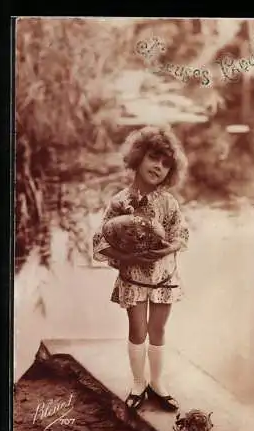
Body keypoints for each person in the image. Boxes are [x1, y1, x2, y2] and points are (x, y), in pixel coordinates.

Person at [93, 126, 189, 412]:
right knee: (138, 329)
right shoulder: (120, 203)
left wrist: (169, 248)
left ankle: (157, 384)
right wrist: (128, 255)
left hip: (164, 277)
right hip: (133, 279)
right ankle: (138, 383)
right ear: (137, 158)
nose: (158, 167)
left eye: (165, 164)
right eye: (153, 158)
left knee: (158, 329)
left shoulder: (169, 203)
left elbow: (181, 235)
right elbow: (99, 244)